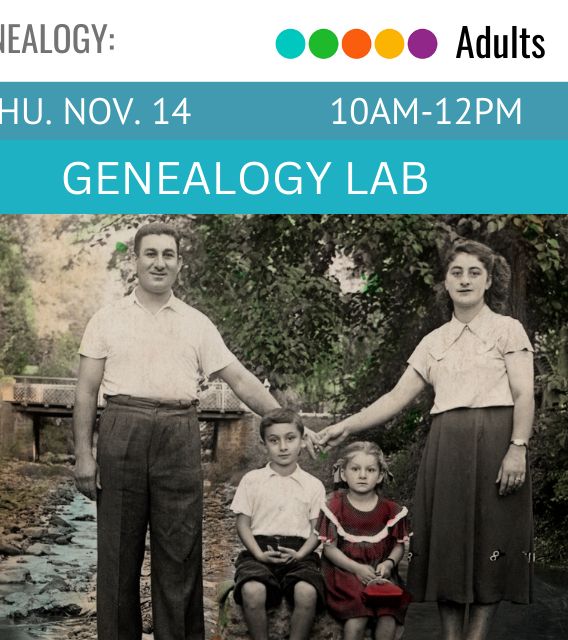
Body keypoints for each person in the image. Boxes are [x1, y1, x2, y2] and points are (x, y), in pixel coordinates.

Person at [73, 222, 316, 640]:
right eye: (150, 253)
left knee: (180, 554)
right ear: (135, 260)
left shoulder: (196, 323)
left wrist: (286, 421)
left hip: (178, 433)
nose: (159, 262)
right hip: (121, 430)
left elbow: (239, 380)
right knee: (117, 556)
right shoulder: (106, 319)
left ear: (179, 265)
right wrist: (84, 453)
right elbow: (85, 390)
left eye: (168, 255)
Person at [316, 239, 535, 640]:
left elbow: (524, 394)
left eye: (474, 273)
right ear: (445, 282)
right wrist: (345, 426)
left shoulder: (508, 330)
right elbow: (395, 399)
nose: (465, 280)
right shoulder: (433, 341)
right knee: (448, 547)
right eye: (457, 272)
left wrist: (517, 448)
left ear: (488, 281)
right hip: (447, 448)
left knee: (493, 543)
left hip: (498, 445)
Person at [230, 408, 326, 640]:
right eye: (274, 440)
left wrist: (302, 554)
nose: (283, 447)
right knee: (252, 590)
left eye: (290, 439)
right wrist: (259, 554)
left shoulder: (313, 485)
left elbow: (318, 529)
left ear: (302, 441)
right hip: (259, 552)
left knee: (307, 592)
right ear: (264, 444)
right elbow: (243, 524)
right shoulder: (252, 480)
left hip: (300, 553)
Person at [317, 441, 411, 640]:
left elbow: (398, 546)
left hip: (379, 571)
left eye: (370, 470)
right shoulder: (335, 507)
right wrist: (357, 568)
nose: (362, 475)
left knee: (388, 615)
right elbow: (329, 549)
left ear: (380, 476)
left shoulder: (391, 510)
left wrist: (389, 562)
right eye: (355, 469)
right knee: (358, 613)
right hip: (345, 572)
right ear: (343, 474)